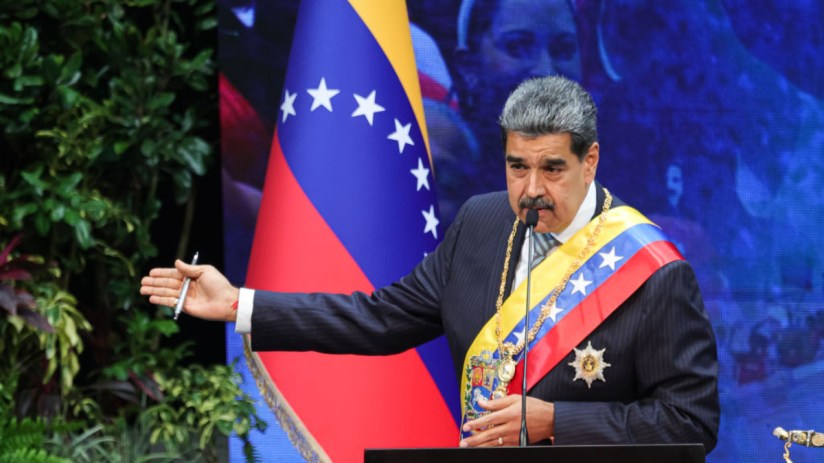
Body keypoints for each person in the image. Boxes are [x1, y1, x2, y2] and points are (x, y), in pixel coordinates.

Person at [141, 76, 719, 451]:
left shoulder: (654, 271)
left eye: (552, 169)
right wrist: (239, 302)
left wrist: (554, 423)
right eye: (518, 167)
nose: (532, 190)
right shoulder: (482, 221)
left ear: (589, 161)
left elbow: (690, 425)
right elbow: (381, 317)